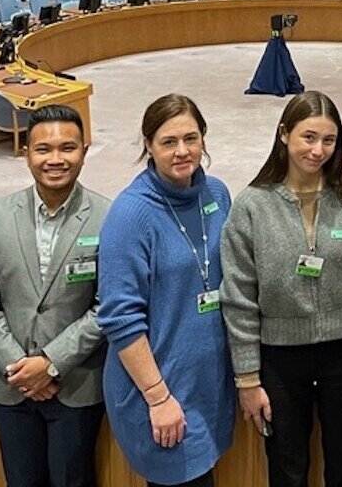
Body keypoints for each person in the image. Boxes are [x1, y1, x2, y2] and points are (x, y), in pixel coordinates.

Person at [223, 91, 342, 487]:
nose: (318, 150)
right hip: (279, 358)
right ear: (284, 134)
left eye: (328, 140)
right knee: (286, 466)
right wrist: (247, 377)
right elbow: (238, 297)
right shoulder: (251, 205)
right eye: (308, 137)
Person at [97, 94, 235, 487]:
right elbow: (119, 319)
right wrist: (158, 398)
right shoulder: (130, 215)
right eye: (168, 142)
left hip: (207, 385)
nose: (182, 151)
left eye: (191, 138)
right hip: (159, 391)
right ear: (148, 146)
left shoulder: (217, 195)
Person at [0, 105, 113, 487]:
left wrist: (50, 362)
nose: (55, 159)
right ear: (25, 152)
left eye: (67, 148)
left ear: (84, 150)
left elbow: (107, 306)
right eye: (43, 149)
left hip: (76, 383)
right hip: (11, 384)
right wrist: (20, 368)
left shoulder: (109, 216)